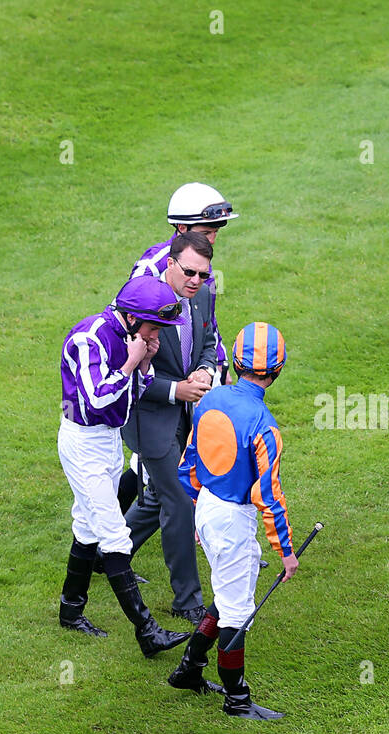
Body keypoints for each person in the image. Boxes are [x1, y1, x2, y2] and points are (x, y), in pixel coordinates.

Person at [56, 274, 191, 657]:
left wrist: (145, 363)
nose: (158, 334)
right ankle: (147, 631)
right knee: (115, 537)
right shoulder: (88, 338)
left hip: (107, 440)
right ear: (132, 318)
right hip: (84, 443)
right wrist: (133, 362)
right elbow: (98, 399)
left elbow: (130, 395)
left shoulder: (133, 336)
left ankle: (70, 610)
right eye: (154, 327)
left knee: (86, 526)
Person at [168, 322, 297, 720]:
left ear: (236, 362)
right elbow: (268, 496)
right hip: (232, 519)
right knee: (237, 611)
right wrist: (286, 552)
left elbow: (188, 462)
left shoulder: (210, 399)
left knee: (227, 596)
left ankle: (189, 670)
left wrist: (194, 512)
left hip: (206, 507)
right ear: (276, 372)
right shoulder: (265, 425)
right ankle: (236, 700)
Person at [120, 231, 219, 626]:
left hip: (183, 413)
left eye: (204, 274)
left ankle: (106, 554)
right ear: (170, 265)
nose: (197, 281)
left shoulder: (204, 296)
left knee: (158, 498)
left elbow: (209, 340)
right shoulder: (143, 303)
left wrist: (205, 370)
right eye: (190, 272)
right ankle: (187, 601)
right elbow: (125, 374)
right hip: (148, 418)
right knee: (178, 500)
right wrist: (177, 389)